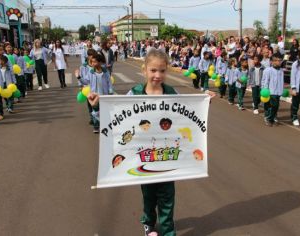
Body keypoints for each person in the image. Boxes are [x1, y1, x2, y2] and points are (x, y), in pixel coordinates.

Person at [87, 49, 214, 236]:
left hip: (168, 157)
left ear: (167, 71)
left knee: (167, 197)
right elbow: (117, 110)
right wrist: (97, 103)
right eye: (153, 70)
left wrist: (205, 101)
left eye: (162, 71)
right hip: (143, 157)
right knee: (149, 195)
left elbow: (189, 111)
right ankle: (148, 222)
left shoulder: (171, 92)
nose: (157, 75)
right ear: (144, 70)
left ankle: (168, 230)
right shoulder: (135, 92)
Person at [262, 53, 284, 126]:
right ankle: (269, 118)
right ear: (271, 61)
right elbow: (265, 81)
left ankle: (271, 117)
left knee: (274, 106)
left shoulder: (281, 70)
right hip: (270, 92)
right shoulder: (268, 70)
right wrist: (265, 90)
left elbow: (281, 81)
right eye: (275, 60)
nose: (277, 62)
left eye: (279, 60)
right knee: (272, 106)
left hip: (278, 92)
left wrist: (282, 90)